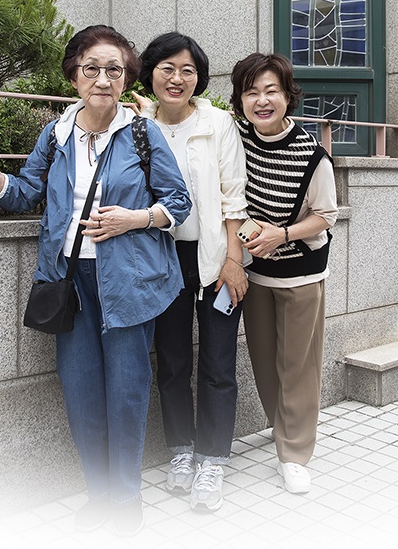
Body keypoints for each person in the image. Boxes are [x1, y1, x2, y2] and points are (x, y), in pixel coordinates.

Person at [0, 25, 190, 537]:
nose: (102, 79)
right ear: (74, 76)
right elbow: (24, 193)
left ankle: (126, 496)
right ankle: (99, 494)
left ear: (126, 78)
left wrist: (135, 219)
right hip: (67, 280)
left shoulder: (143, 133)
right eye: (91, 69)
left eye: (113, 70)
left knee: (127, 392)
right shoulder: (56, 134)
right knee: (81, 392)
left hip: (128, 281)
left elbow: (179, 202)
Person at [133, 32, 248, 513]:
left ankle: (213, 459)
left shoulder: (218, 123)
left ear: (198, 77)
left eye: (188, 70)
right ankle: (181, 450)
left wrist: (234, 260)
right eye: (167, 68)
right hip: (163, 259)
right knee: (173, 360)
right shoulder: (138, 126)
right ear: (151, 74)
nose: (177, 78)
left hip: (215, 257)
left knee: (218, 362)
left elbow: (234, 195)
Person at [230, 53, 337, 494]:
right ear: (240, 100)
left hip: (301, 275)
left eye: (271, 91)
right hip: (255, 273)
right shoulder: (236, 136)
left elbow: (326, 215)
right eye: (251, 92)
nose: (261, 100)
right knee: (264, 362)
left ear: (287, 96)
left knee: (298, 366)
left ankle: (294, 453)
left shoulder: (312, 154)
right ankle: (283, 428)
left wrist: (284, 234)